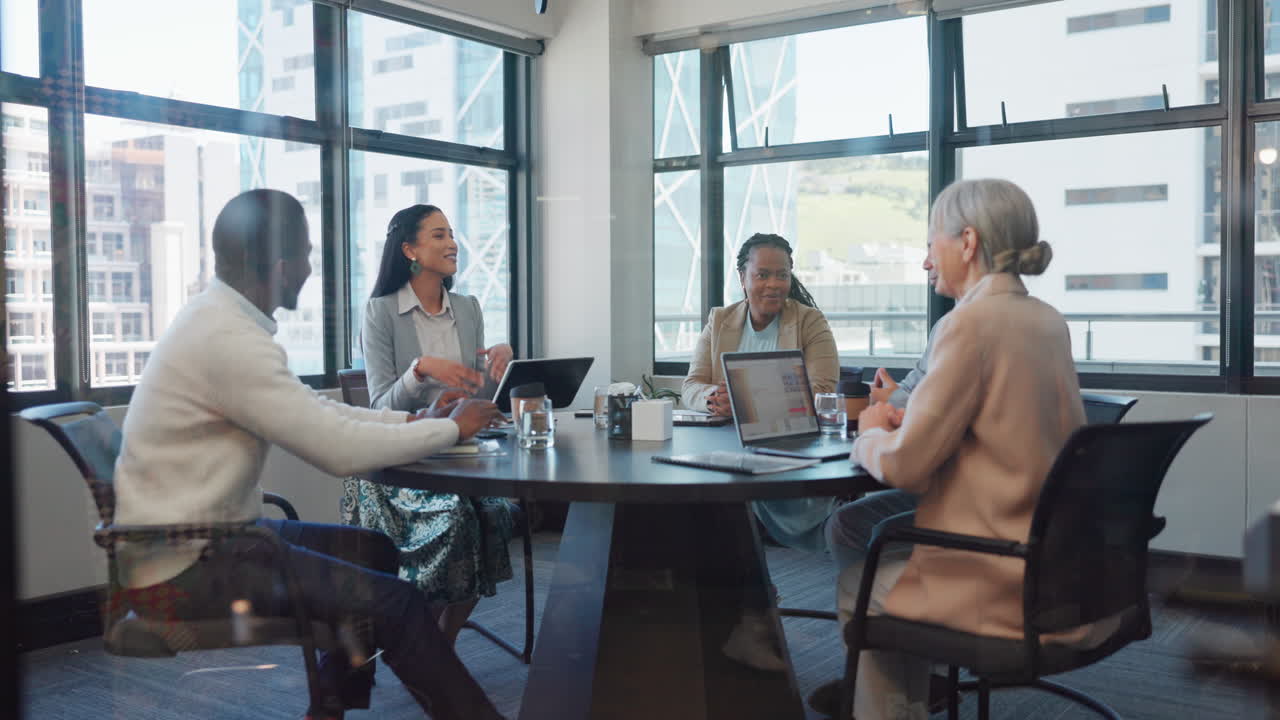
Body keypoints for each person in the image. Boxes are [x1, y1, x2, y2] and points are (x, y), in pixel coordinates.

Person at [112, 189, 506, 720]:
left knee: (373, 551)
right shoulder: (229, 340)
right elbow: (336, 447)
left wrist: (416, 422)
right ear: (281, 266)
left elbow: (322, 414)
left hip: (206, 539)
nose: (309, 267)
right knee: (401, 604)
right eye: (307, 254)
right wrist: (448, 431)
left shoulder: (218, 322)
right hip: (188, 565)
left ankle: (329, 707)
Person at [835, 178, 1114, 720]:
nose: (924, 263)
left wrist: (871, 428)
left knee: (857, 585)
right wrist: (911, 416)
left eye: (930, 243)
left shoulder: (971, 324)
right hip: (1064, 565)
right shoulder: (1046, 320)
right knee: (874, 540)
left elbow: (905, 467)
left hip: (1000, 575)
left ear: (966, 242)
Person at [349, 203, 516, 647]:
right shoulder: (380, 312)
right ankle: (420, 641)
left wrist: (500, 366)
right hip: (405, 461)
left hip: (461, 454)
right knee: (458, 517)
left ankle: (440, 642)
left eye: (452, 234)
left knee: (499, 512)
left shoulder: (468, 307)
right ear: (410, 250)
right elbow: (381, 404)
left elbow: (478, 398)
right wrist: (420, 370)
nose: (452, 244)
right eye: (438, 235)